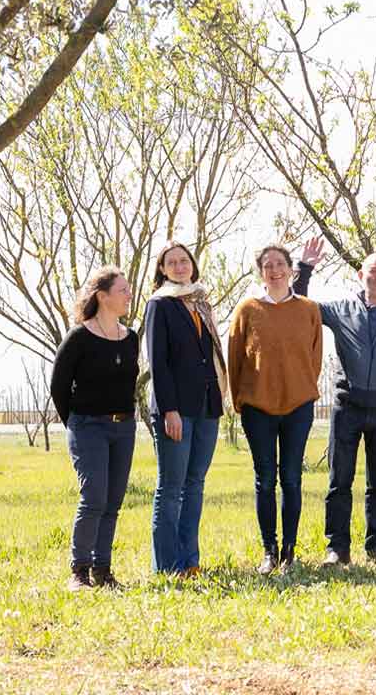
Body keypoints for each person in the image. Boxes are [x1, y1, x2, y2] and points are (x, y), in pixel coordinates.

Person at [294, 239, 376, 566]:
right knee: (339, 481)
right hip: (346, 409)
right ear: (359, 274)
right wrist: (305, 268)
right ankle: (337, 549)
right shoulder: (340, 309)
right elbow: (300, 305)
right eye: (372, 271)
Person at [227, 244, 323, 574]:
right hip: (258, 407)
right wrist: (239, 399)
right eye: (267, 265)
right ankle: (269, 549)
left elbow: (315, 357)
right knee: (265, 479)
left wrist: (303, 387)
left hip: (298, 406)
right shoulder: (247, 310)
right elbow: (235, 358)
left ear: (290, 269)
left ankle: (290, 550)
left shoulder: (308, 309)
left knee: (292, 479)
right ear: (261, 272)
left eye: (280, 263)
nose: (274, 270)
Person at [50, 267, 139, 591]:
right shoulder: (79, 337)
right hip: (88, 427)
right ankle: (79, 571)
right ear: (102, 296)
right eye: (123, 290)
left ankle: (103, 572)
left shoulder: (131, 337)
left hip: (124, 428)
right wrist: (77, 423)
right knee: (94, 498)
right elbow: (59, 386)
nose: (129, 295)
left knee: (113, 501)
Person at [145, 242, 226, 577]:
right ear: (162, 269)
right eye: (171, 262)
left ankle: (189, 561)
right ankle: (166, 566)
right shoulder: (160, 304)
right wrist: (169, 410)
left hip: (207, 406)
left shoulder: (201, 301)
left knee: (195, 484)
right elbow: (158, 362)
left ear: (193, 265)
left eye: (184, 260)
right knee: (172, 487)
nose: (179, 266)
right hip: (175, 410)